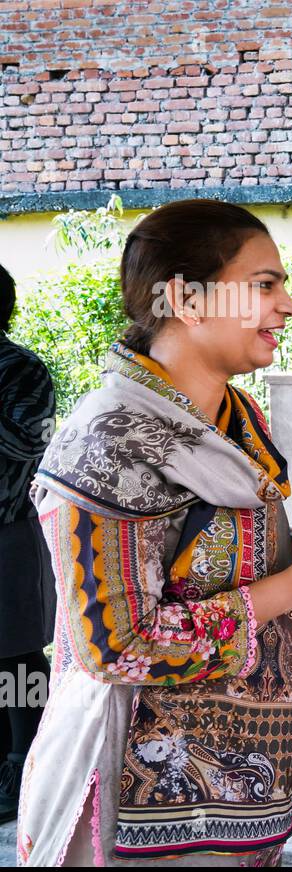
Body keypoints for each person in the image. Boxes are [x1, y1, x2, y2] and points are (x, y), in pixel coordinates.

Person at [17, 199, 292, 866]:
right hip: (144, 804)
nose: (288, 305)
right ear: (185, 297)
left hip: (236, 793)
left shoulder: (232, 420)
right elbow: (115, 646)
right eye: (265, 285)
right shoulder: (109, 443)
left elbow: (210, 561)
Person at [0, 263, 56, 825]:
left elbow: (24, 442)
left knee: (15, 653)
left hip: (9, 530)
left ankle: (24, 771)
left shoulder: (24, 371)